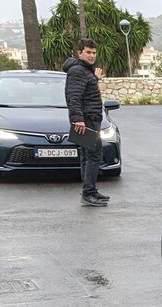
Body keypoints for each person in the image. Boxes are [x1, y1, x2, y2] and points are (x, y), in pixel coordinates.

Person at [64, 39, 109, 207]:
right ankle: (88, 193)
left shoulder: (84, 71)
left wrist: (94, 78)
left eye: (94, 53)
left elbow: (85, 92)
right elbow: (73, 96)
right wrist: (77, 119)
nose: (92, 56)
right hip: (86, 119)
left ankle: (90, 189)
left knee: (86, 155)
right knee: (94, 155)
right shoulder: (77, 71)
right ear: (79, 53)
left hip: (89, 118)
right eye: (88, 52)